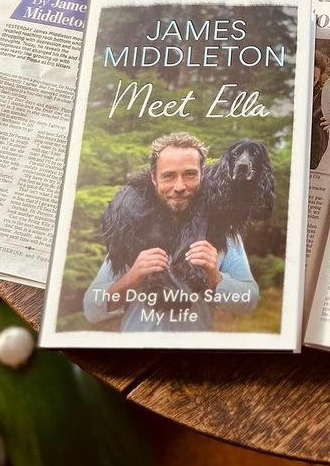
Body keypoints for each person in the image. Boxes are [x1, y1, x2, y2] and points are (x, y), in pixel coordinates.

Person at [84, 132, 259, 332]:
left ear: (202, 174)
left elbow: (249, 302)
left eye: (190, 174)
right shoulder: (132, 226)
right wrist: (132, 277)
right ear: (153, 178)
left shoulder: (223, 230)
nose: (179, 186)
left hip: (195, 352)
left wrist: (214, 276)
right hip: (137, 352)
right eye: (168, 176)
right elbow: (92, 309)